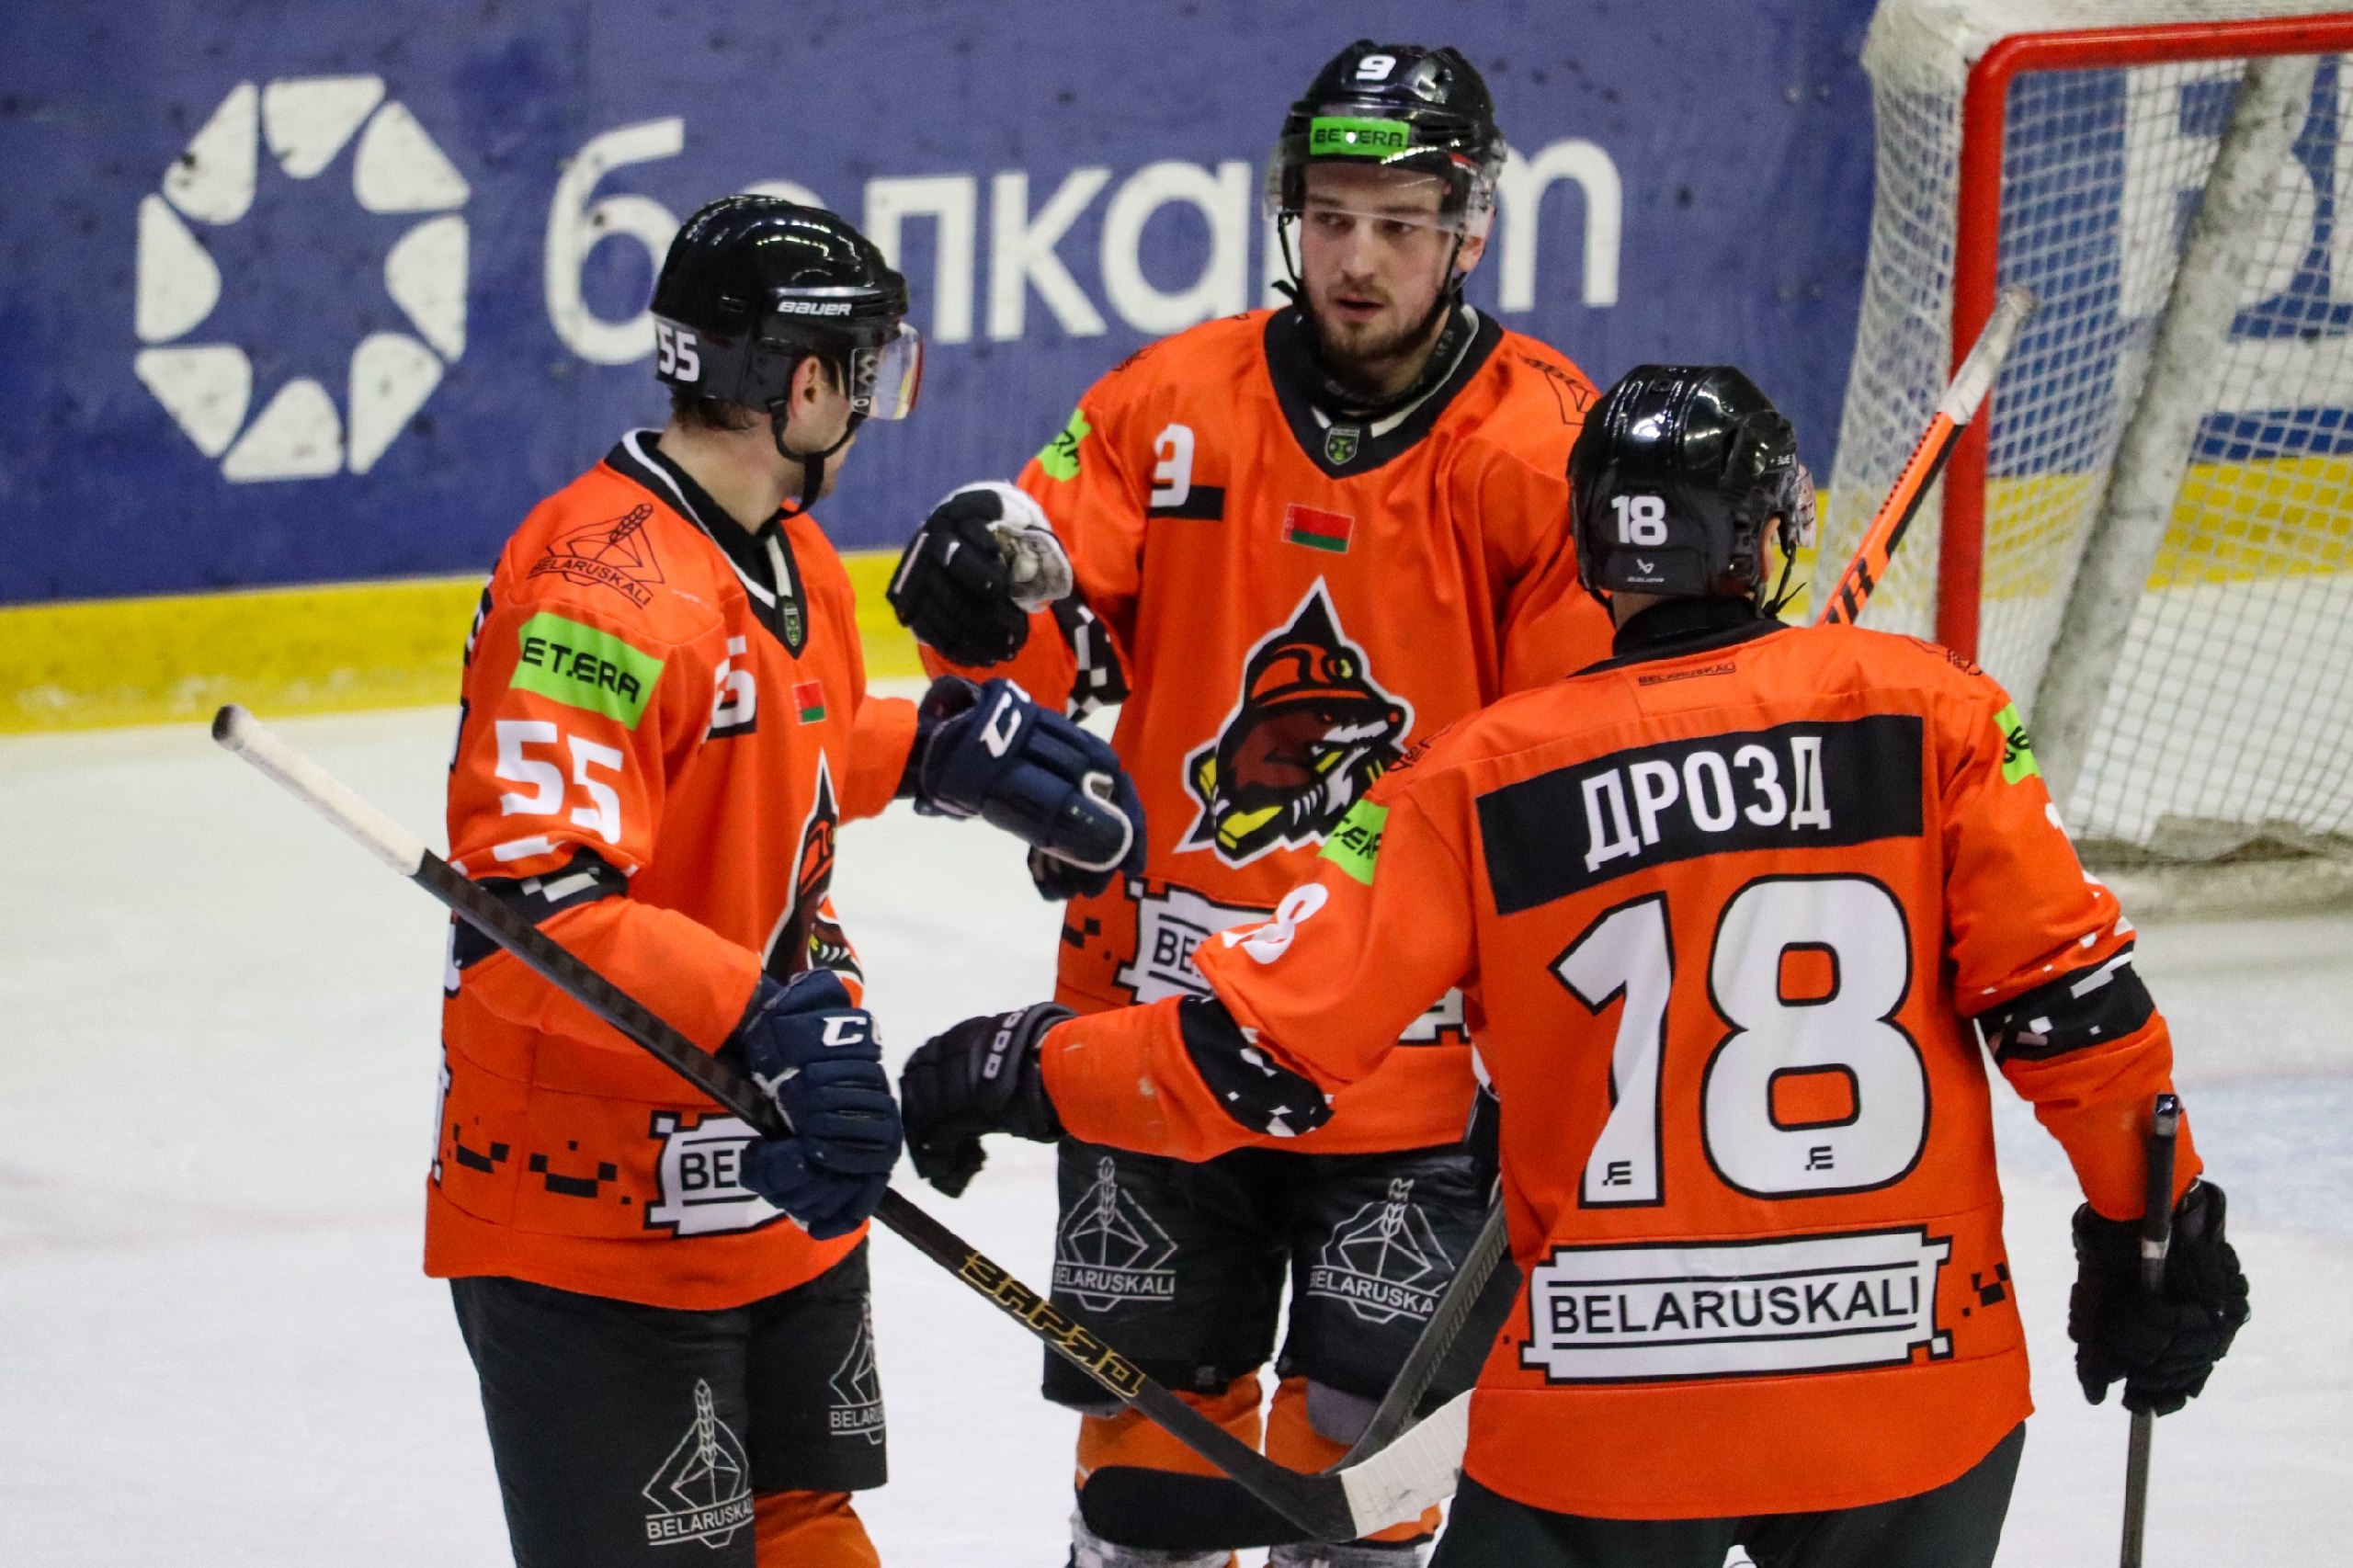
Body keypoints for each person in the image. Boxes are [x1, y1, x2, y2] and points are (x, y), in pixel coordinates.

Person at [900, 365, 2252, 1568]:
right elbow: (2074, 1012)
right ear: (1770, 535)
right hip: (1910, 1388)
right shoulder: (1937, 711)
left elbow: (1253, 1055)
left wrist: (1019, 1066)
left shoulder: (1470, 778)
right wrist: (2154, 1232)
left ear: (1592, 554)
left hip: (1606, 1407)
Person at [884, 37, 1615, 1568]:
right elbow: (1039, 621)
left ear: (1469, 228)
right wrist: (980, 590)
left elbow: (1569, 770)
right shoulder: (1171, 400)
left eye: (1399, 223)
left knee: (1360, 1485)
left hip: (1422, 1064)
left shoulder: (1545, 446)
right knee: (1149, 1484)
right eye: (1331, 216)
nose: (1356, 259)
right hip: (1162, 1028)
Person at [430, 195, 1142, 1568]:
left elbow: (769, 743)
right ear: (803, 382)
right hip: (596, 1210)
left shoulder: (785, 548)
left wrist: (931, 751)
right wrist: (762, 1017)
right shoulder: (595, 589)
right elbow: (531, 917)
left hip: (779, 1160)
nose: (873, 403)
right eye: (866, 368)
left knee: (808, 1525)